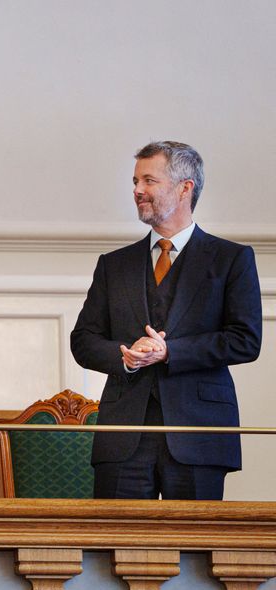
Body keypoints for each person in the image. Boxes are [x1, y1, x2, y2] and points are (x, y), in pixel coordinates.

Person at [71, 141, 262, 500]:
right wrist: (125, 356)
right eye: (135, 181)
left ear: (184, 187)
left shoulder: (231, 259)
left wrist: (168, 352)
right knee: (115, 546)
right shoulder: (114, 264)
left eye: (149, 181)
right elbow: (83, 340)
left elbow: (245, 339)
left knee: (195, 549)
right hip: (123, 434)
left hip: (200, 433)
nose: (137, 191)